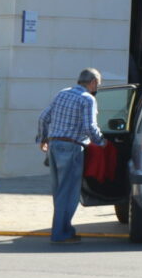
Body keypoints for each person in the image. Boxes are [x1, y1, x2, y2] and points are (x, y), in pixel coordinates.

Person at [36, 67, 104, 245]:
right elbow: (90, 127)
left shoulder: (63, 93)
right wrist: (102, 142)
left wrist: (42, 138)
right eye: (98, 84)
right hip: (72, 147)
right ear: (93, 82)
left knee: (59, 191)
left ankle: (63, 230)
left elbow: (43, 117)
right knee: (69, 193)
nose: (97, 87)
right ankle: (61, 233)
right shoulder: (88, 99)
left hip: (54, 145)